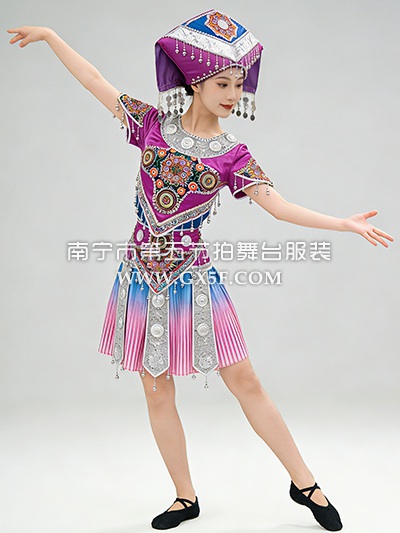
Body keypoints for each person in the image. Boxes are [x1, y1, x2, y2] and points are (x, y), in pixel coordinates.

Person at [8, 8, 393, 532]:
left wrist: (342, 223)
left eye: (239, 84)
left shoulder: (233, 155)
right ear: (195, 82)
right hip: (139, 279)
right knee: (157, 388)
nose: (234, 94)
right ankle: (184, 497)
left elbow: (279, 208)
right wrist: (53, 36)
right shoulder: (151, 125)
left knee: (245, 379)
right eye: (222, 83)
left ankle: (304, 483)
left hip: (192, 279)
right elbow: (95, 81)